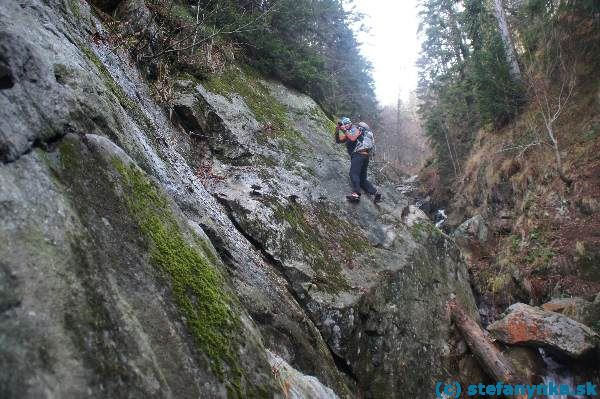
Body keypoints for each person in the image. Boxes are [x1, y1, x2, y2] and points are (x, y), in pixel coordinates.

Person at [335, 117, 382, 203]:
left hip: (358, 155)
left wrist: (344, 130)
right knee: (362, 179)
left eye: (348, 123)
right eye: (345, 124)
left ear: (350, 123)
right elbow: (338, 140)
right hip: (364, 157)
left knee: (353, 173)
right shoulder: (349, 133)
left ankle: (356, 194)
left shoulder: (356, 129)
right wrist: (337, 130)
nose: (346, 125)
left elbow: (353, 138)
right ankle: (376, 193)